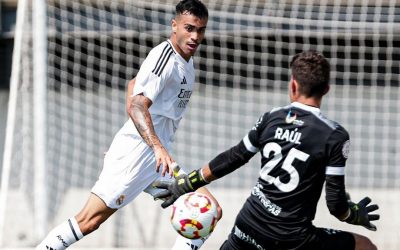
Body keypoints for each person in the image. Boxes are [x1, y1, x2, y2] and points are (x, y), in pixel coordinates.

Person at [36, 0, 222, 249]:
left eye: (201, 30)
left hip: (155, 160)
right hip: (139, 155)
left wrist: (142, 140)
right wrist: (143, 146)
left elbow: (133, 85)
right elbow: (137, 104)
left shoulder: (186, 61)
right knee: (89, 221)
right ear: (174, 25)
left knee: (211, 211)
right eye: (189, 28)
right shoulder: (165, 57)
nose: (195, 36)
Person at [154, 51, 380, 250]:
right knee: (365, 246)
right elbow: (336, 205)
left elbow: (234, 157)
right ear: (327, 89)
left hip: (248, 226)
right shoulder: (334, 135)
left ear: (293, 85)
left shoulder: (271, 118)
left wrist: (188, 183)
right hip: (291, 239)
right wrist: (353, 214)